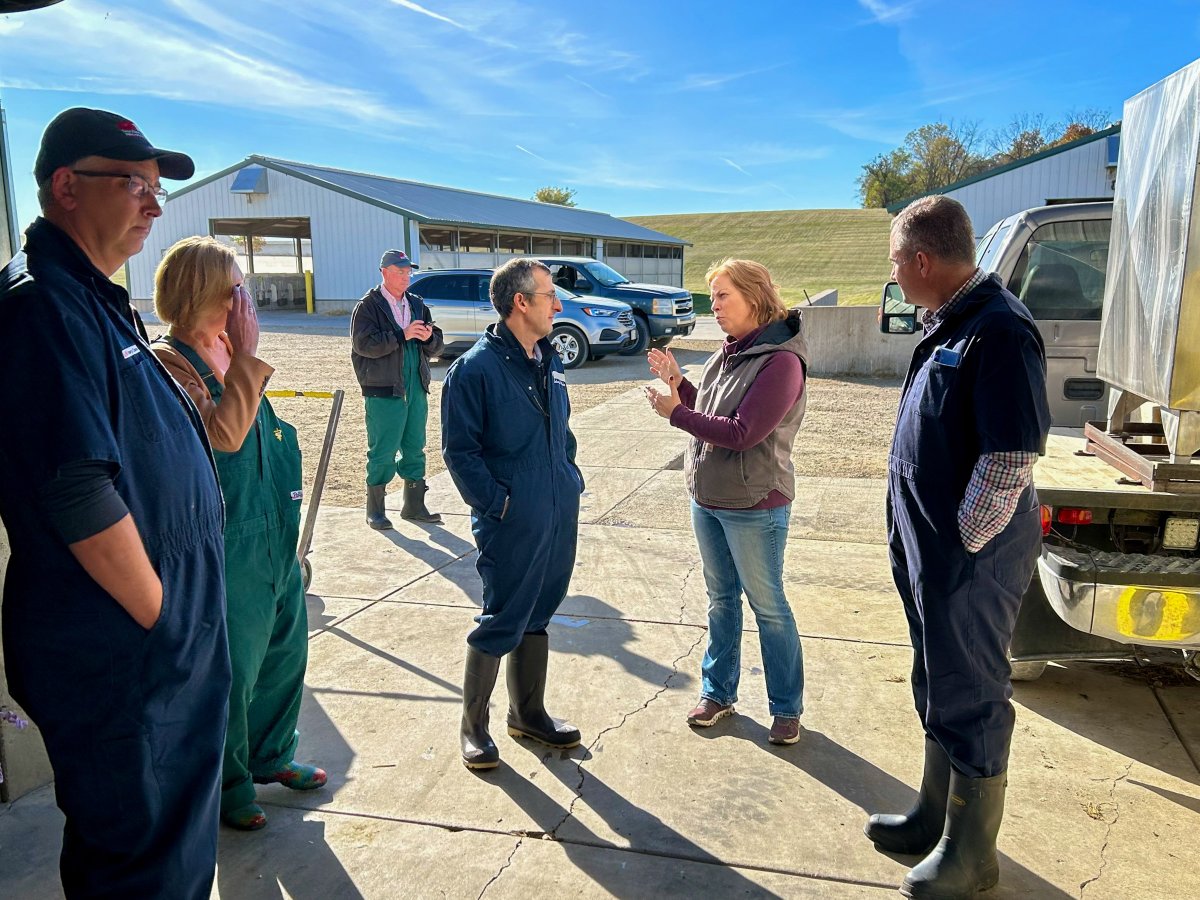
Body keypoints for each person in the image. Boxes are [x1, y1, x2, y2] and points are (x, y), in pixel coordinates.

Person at [0, 108, 229, 897]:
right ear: (66, 186)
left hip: (160, 656)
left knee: (172, 853)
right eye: (135, 184)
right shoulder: (43, 307)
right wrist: (164, 617)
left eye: (158, 189)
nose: (154, 206)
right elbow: (76, 486)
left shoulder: (97, 300)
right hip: (122, 661)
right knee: (141, 869)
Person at [864, 195, 1049, 899]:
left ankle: (972, 856)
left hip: (969, 559)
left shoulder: (999, 329)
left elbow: (1008, 459)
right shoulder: (950, 323)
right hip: (932, 555)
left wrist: (961, 553)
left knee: (970, 691)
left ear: (921, 260)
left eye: (895, 263)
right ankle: (934, 816)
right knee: (936, 679)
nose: (895, 277)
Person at [151, 236, 326, 831]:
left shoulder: (228, 352)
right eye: (235, 286)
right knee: (233, 668)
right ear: (204, 290)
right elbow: (223, 437)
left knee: (284, 655)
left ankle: (272, 758)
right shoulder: (171, 363)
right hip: (227, 545)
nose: (245, 298)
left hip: (273, 539)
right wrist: (248, 356)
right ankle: (227, 785)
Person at [645, 258, 808, 746]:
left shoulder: (781, 362)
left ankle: (786, 708)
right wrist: (681, 386)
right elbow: (711, 410)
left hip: (756, 503)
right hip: (710, 498)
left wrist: (675, 414)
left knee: (768, 606)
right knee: (721, 601)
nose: (712, 307)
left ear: (754, 298)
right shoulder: (728, 353)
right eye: (712, 297)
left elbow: (743, 432)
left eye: (722, 297)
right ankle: (718, 693)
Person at [441, 257, 584, 770]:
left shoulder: (550, 359)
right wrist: (498, 504)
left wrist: (569, 480)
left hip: (556, 510)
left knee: (540, 611)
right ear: (520, 302)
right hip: (511, 519)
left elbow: (561, 434)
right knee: (502, 617)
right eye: (550, 296)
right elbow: (460, 453)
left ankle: (529, 714)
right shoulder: (474, 369)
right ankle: (473, 728)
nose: (559, 305)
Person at [351, 249, 444, 529]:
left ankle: (414, 506)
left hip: (415, 386)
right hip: (384, 388)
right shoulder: (368, 306)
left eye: (408, 271)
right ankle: (376, 510)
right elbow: (363, 345)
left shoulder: (417, 303)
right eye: (400, 271)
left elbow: (438, 345)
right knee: (382, 449)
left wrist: (429, 338)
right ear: (384, 272)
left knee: (415, 446)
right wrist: (401, 335)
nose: (406, 276)